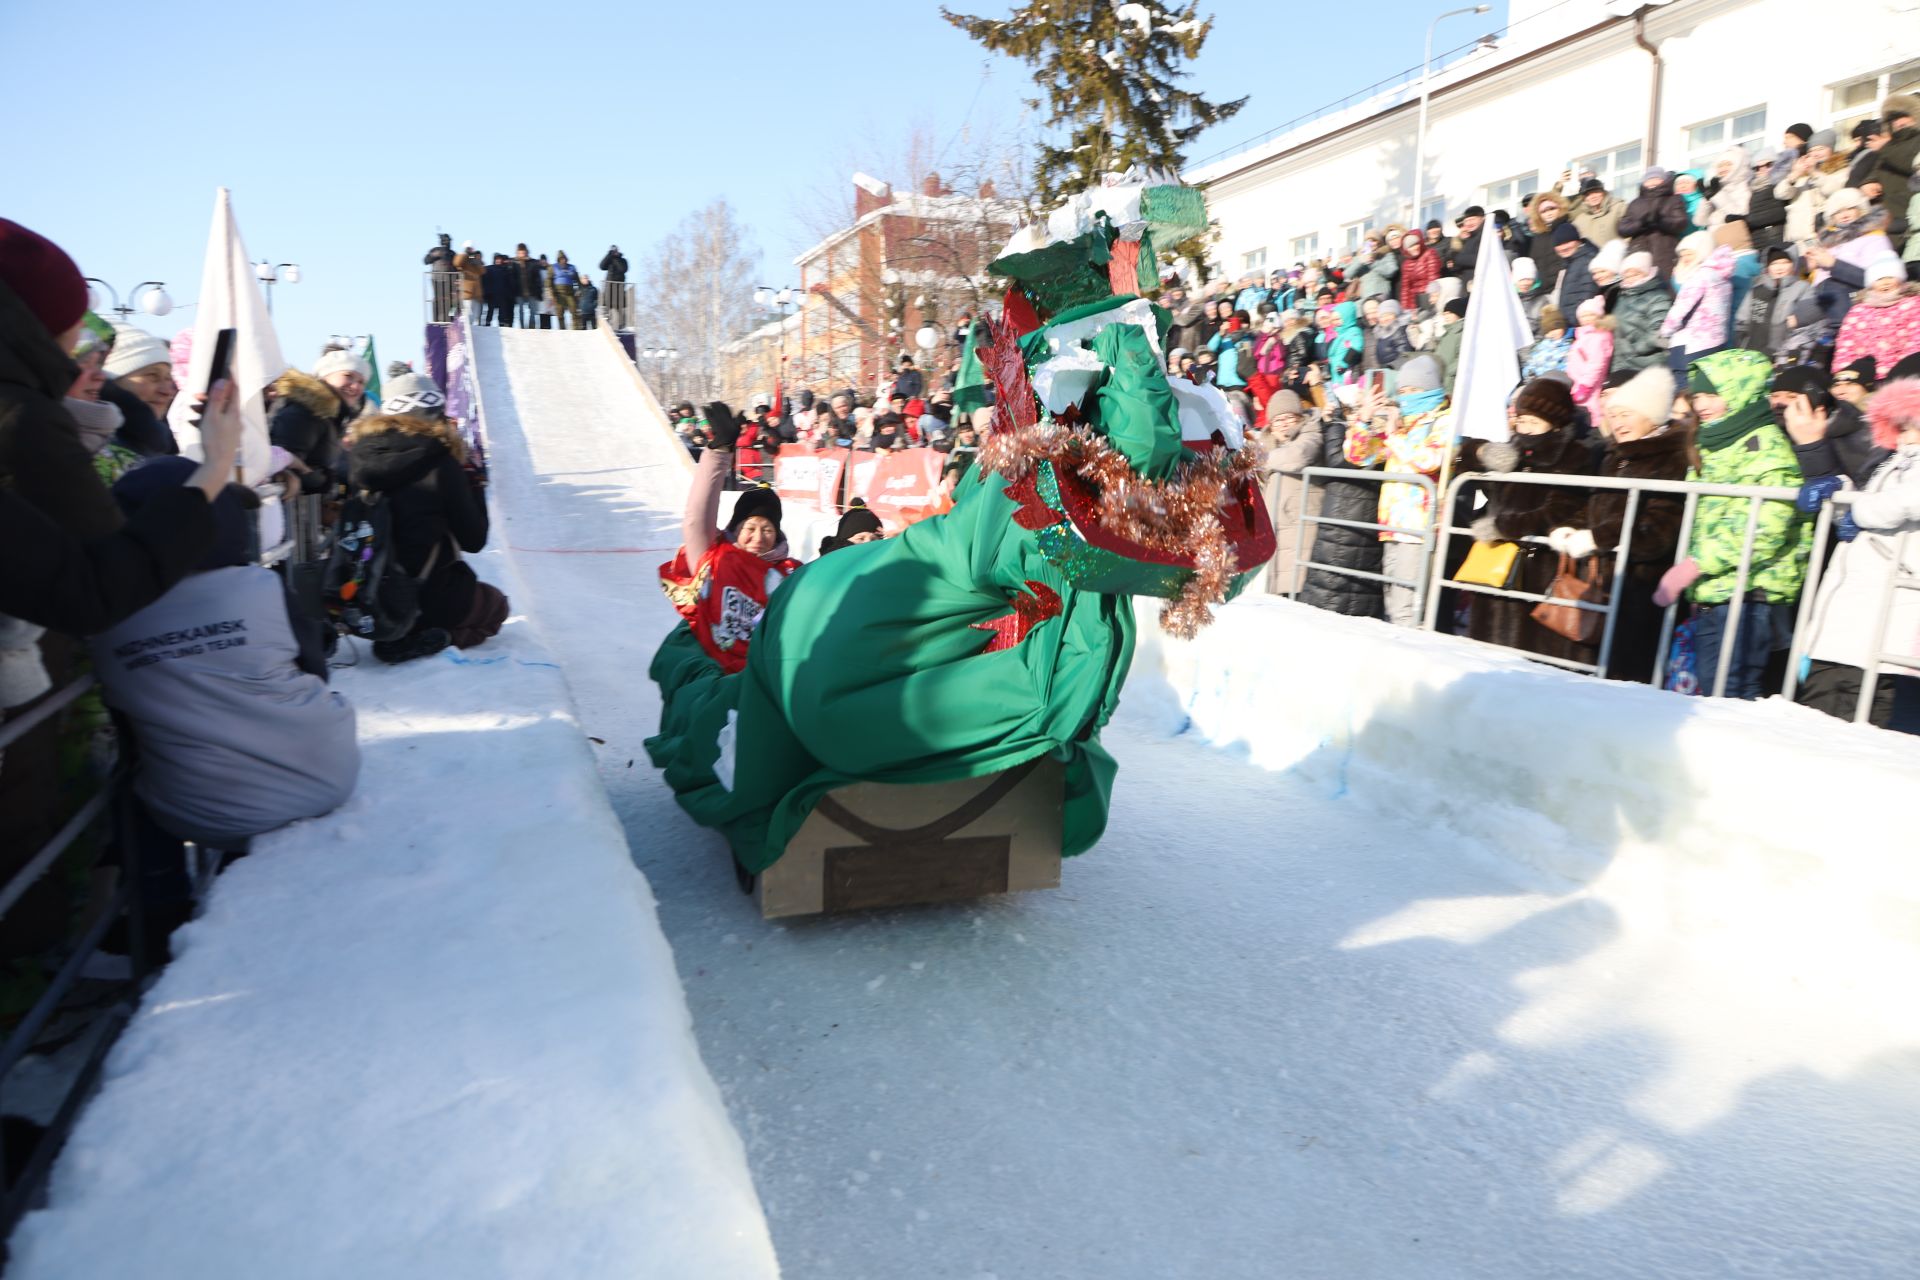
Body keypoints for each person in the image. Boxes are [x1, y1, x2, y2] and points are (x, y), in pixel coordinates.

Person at [91, 456, 359, 853]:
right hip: (328, 775)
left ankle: (160, 900)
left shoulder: (108, 620)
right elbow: (314, 668)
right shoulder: (259, 586)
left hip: (201, 813)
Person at [1654, 349, 1809, 698]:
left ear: (1740, 391)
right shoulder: (1715, 443)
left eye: (1712, 394)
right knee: (1715, 692)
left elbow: (1765, 526)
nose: (1702, 404)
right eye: (1697, 396)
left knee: (1731, 695)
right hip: (1719, 590)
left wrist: (1694, 567)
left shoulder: (1766, 447)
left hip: (1748, 594)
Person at [344, 373, 505, 663]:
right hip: (430, 597)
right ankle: (436, 638)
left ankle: (399, 633)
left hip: (371, 598)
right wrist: (474, 483)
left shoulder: (359, 459)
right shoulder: (441, 463)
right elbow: (474, 540)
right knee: (496, 606)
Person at [1793, 376, 1920, 726]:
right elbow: (1873, 502)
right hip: (1852, 605)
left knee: (1858, 721)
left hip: (1885, 617)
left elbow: (1903, 501)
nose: (1906, 436)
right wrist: (1837, 489)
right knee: (1820, 710)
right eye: (1901, 427)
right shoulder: (1895, 461)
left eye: (1913, 426)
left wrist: (1858, 510)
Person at [1552, 366, 1689, 683]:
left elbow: (1658, 532)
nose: (1617, 423)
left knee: (1629, 681)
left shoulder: (1672, 457)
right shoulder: (1615, 455)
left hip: (1642, 591)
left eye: (1626, 414)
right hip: (1605, 584)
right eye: (1612, 415)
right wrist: (1570, 527)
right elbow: (1595, 505)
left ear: (1651, 415)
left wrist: (1598, 538)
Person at [1458, 377, 1599, 665]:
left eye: (1534, 422)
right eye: (1522, 421)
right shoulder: (1516, 449)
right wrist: (1485, 452)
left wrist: (1503, 527)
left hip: (1538, 569)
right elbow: (1465, 456)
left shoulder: (1575, 456)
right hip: (1498, 567)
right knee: (1484, 656)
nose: (1526, 429)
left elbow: (1558, 510)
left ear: (1556, 422)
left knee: (1527, 658)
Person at [653, 401, 799, 675]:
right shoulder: (714, 554)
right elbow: (696, 516)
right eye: (751, 527)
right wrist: (720, 453)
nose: (758, 536)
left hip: (763, 675)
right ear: (737, 528)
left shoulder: (789, 572)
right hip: (714, 671)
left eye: (768, 529)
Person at [1343, 355, 1451, 626]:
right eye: (1402, 392)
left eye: (1413, 391)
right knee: (1392, 606)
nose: (1406, 398)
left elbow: (1430, 460)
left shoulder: (1444, 421)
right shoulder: (1401, 423)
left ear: (1430, 389)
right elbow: (1358, 456)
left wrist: (1394, 436)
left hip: (1420, 529)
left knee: (1407, 611)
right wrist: (1363, 421)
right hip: (1391, 526)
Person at [269, 345, 367, 496]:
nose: (355, 386)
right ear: (325, 376)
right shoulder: (306, 412)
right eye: (348, 376)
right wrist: (321, 480)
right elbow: (283, 466)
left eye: (361, 382)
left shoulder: (330, 417)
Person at [1832, 258, 1920, 376]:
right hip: (1864, 376)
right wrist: (1843, 374)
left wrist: (1907, 369)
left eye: (1890, 277)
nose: (1885, 282)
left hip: (1902, 373)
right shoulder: (1858, 311)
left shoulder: (1912, 304)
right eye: (1879, 279)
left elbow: (1916, 339)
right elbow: (1845, 344)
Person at [1660, 232, 1733, 374]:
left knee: (1683, 389)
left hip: (1691, 343)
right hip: (1715, 341)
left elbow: (1682, 306)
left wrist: (1665, 331)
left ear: (1702, 252)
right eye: (1682, 255)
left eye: (1690, 254)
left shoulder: (1701, 276)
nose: (1685, 258)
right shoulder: (1722, 276)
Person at [1619, 169, 1692, 281]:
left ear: (1663, 181)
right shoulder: (1635, 203)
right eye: (1649, 180)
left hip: (1665, 249)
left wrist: (1661, 221)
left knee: (1664, 284)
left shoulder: (1674, 199)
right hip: (1638, 250)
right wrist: (1640, 224)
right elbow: (1622, 229)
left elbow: (1681, 222)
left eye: (1656, 179)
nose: (1652, 182)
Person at [1738, 246, 1811, 355]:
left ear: (1793, 264)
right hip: (1752, 353)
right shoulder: (1756, 290)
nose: (1779, 268)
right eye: (1774, 264)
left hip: (1785, 354)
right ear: (1767, 267)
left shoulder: (1802, 288)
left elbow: (1807, 321)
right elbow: (1741, 322)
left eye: (1784, 262)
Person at [1611, 252, 1673, 373]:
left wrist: (1637, 349)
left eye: (1635, 274)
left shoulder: (1658, 297)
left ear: (1647, 273)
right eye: (1626, 275)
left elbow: (1660, 332)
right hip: (1621, 365)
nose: (1630, 279)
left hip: (1647, 364)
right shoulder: (1622, 296)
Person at [1566, 296, 1614, 407]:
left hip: (1589, 386)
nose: (1586, 319)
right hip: (1577, 382)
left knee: (1590, 411)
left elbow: (1596, 363)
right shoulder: (1583, 335)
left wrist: (1585, 385)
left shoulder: (1599, 337)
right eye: (1583, 316)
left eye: (1591, 315)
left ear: (1599, 316)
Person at [1549, 222, 1601, 318]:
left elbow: (1587, 294)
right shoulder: (1570, 263)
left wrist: (1575, 320)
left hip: (1583, 321)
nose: (1563, 247)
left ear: (1578, 241)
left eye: (1567, 242)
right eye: (1559, 245)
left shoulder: (1587, 261)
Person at [1572, 178, 1625, 249]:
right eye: (1588, 195)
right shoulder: (1579, 220)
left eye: (1596, 192)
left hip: (1617, 256)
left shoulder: (1618, 207)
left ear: (1603, 193)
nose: (1593, 196)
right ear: (1585, 199)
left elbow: (1630, 232)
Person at [818, 499, 885, 555]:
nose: (867, 544)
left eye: (873, 540)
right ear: (843, 541)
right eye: (861, 539)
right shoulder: (828, 562)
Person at [423, 232, 457, 322]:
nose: (447, 243)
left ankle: (450, 318)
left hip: (450, 280)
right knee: (438, 300)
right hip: (437, 279)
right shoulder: (436, 250)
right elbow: (426, 260)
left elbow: (456, 267)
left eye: (448, 241)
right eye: (445, 241)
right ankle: (437, 319)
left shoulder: (452, 253)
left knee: (452, 302)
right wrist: (436, 254)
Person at [454, 242, 485, 325]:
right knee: (468, 314)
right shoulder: (463, 259)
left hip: (477, 293)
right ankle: (465, 329)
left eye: (472, 249)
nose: (471, 250)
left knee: (476, 315)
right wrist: (466, 254)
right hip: (468, 292)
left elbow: (483, 271)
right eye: (469, 248)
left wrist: (477, 261)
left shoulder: (475, 259)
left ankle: (469, 329)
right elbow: (457, 263)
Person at [513, 244, 543, 329]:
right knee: (521, 311)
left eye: (523, 252)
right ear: (517, 253)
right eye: (520, 252)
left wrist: (539, 292)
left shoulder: (533, 263)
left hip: (531, 291)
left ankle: (531, 326)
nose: (522, 254)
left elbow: (538, 278)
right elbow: (512, 278)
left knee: (533, 311)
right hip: (519, 291)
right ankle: (522, 327)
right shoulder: (514, 263)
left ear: (526, 252)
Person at [549, 252, 581, 329]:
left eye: (564, 259)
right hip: (559, 293)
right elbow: (549, 280)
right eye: (561, 259)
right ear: (558, 260)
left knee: (574, 310)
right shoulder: (553, 267)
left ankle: (576, 328)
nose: (563, 260)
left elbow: (577, 280)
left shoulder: (572, 268)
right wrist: (551, 291)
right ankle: (562, 329)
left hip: (570, 293)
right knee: (560, 313)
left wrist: (578, 290)